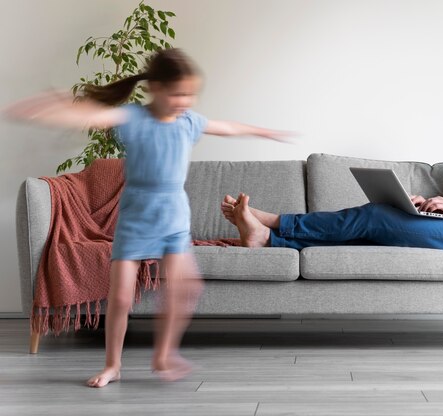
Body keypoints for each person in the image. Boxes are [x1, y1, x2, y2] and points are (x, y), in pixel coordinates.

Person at [4, 48, 288, 388]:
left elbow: (225, 127)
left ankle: (164, 354)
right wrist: (43, 111)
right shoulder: (134, 118)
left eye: (191, 93)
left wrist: (262, 131)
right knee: (120, 297)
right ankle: (113, 365)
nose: (186, 100)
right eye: (178, 93)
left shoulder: (188, 122)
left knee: (186, 288)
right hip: (136, 223)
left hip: (174, 224)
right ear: (155, 88)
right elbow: (94, 117)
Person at [222, 80, 443, 251]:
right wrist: (429, 205)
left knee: (374, 216)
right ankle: (268, 238)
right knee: (376, 219)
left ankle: (274, 224)